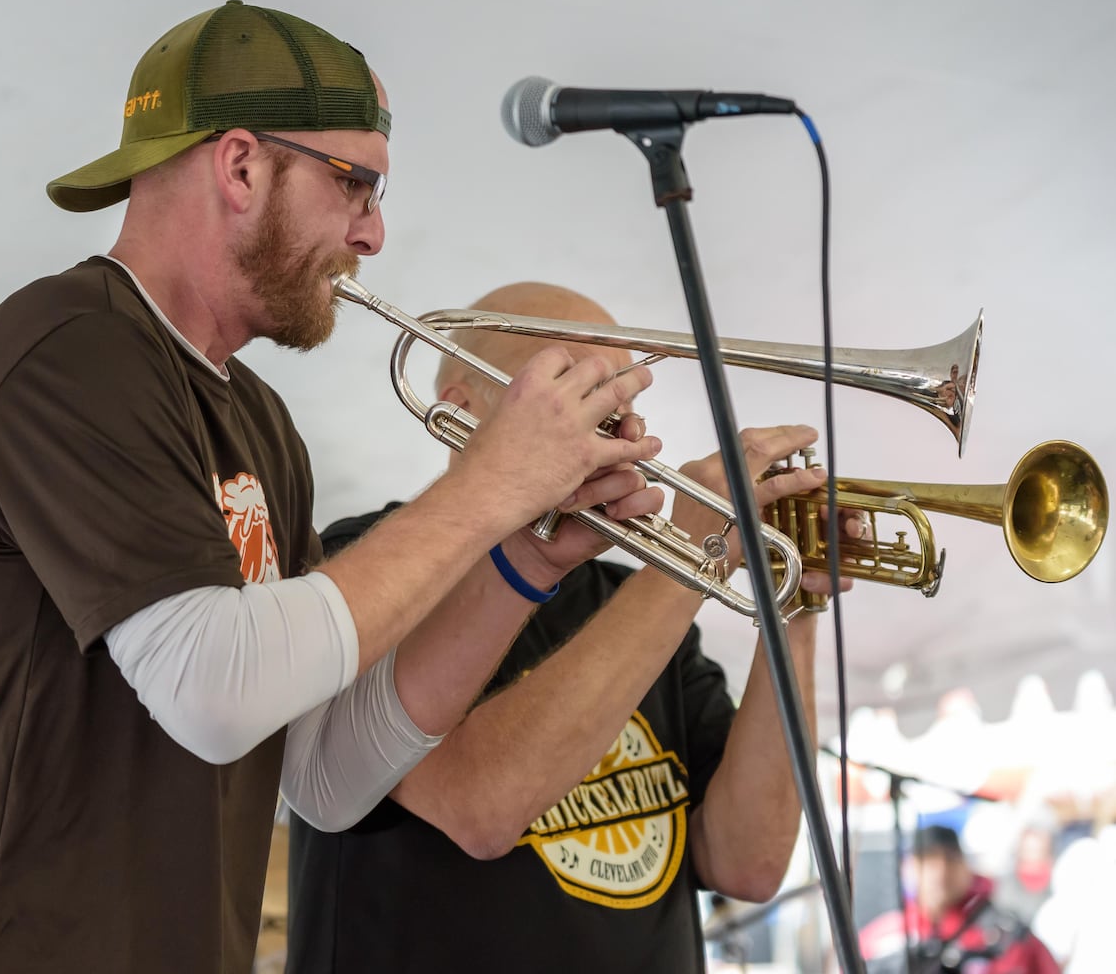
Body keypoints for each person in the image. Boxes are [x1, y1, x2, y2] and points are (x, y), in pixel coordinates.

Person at [0, 1, 664, 974]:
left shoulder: (260, 422)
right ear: (239, 166)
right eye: (356, 184)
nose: (374, 234)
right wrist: (490, 485)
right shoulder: (71, 349)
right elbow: (214, 690)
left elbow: (320, 770)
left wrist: (519, 560)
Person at [286, 281, 854, 973]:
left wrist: (792, 605)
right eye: (577, 393)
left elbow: (749, 864)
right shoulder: (365, 564)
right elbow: (480, 809)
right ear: (459, 410)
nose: (625, 433)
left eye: (625, 405)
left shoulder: (629, 598)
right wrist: (691, 559)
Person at [860, 825, 1060, 974]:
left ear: (966, 867)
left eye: (950, 859)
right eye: (928, 860)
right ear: (909, 867)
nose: (940, 871)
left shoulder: (1009, 937)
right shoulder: (881, 938)